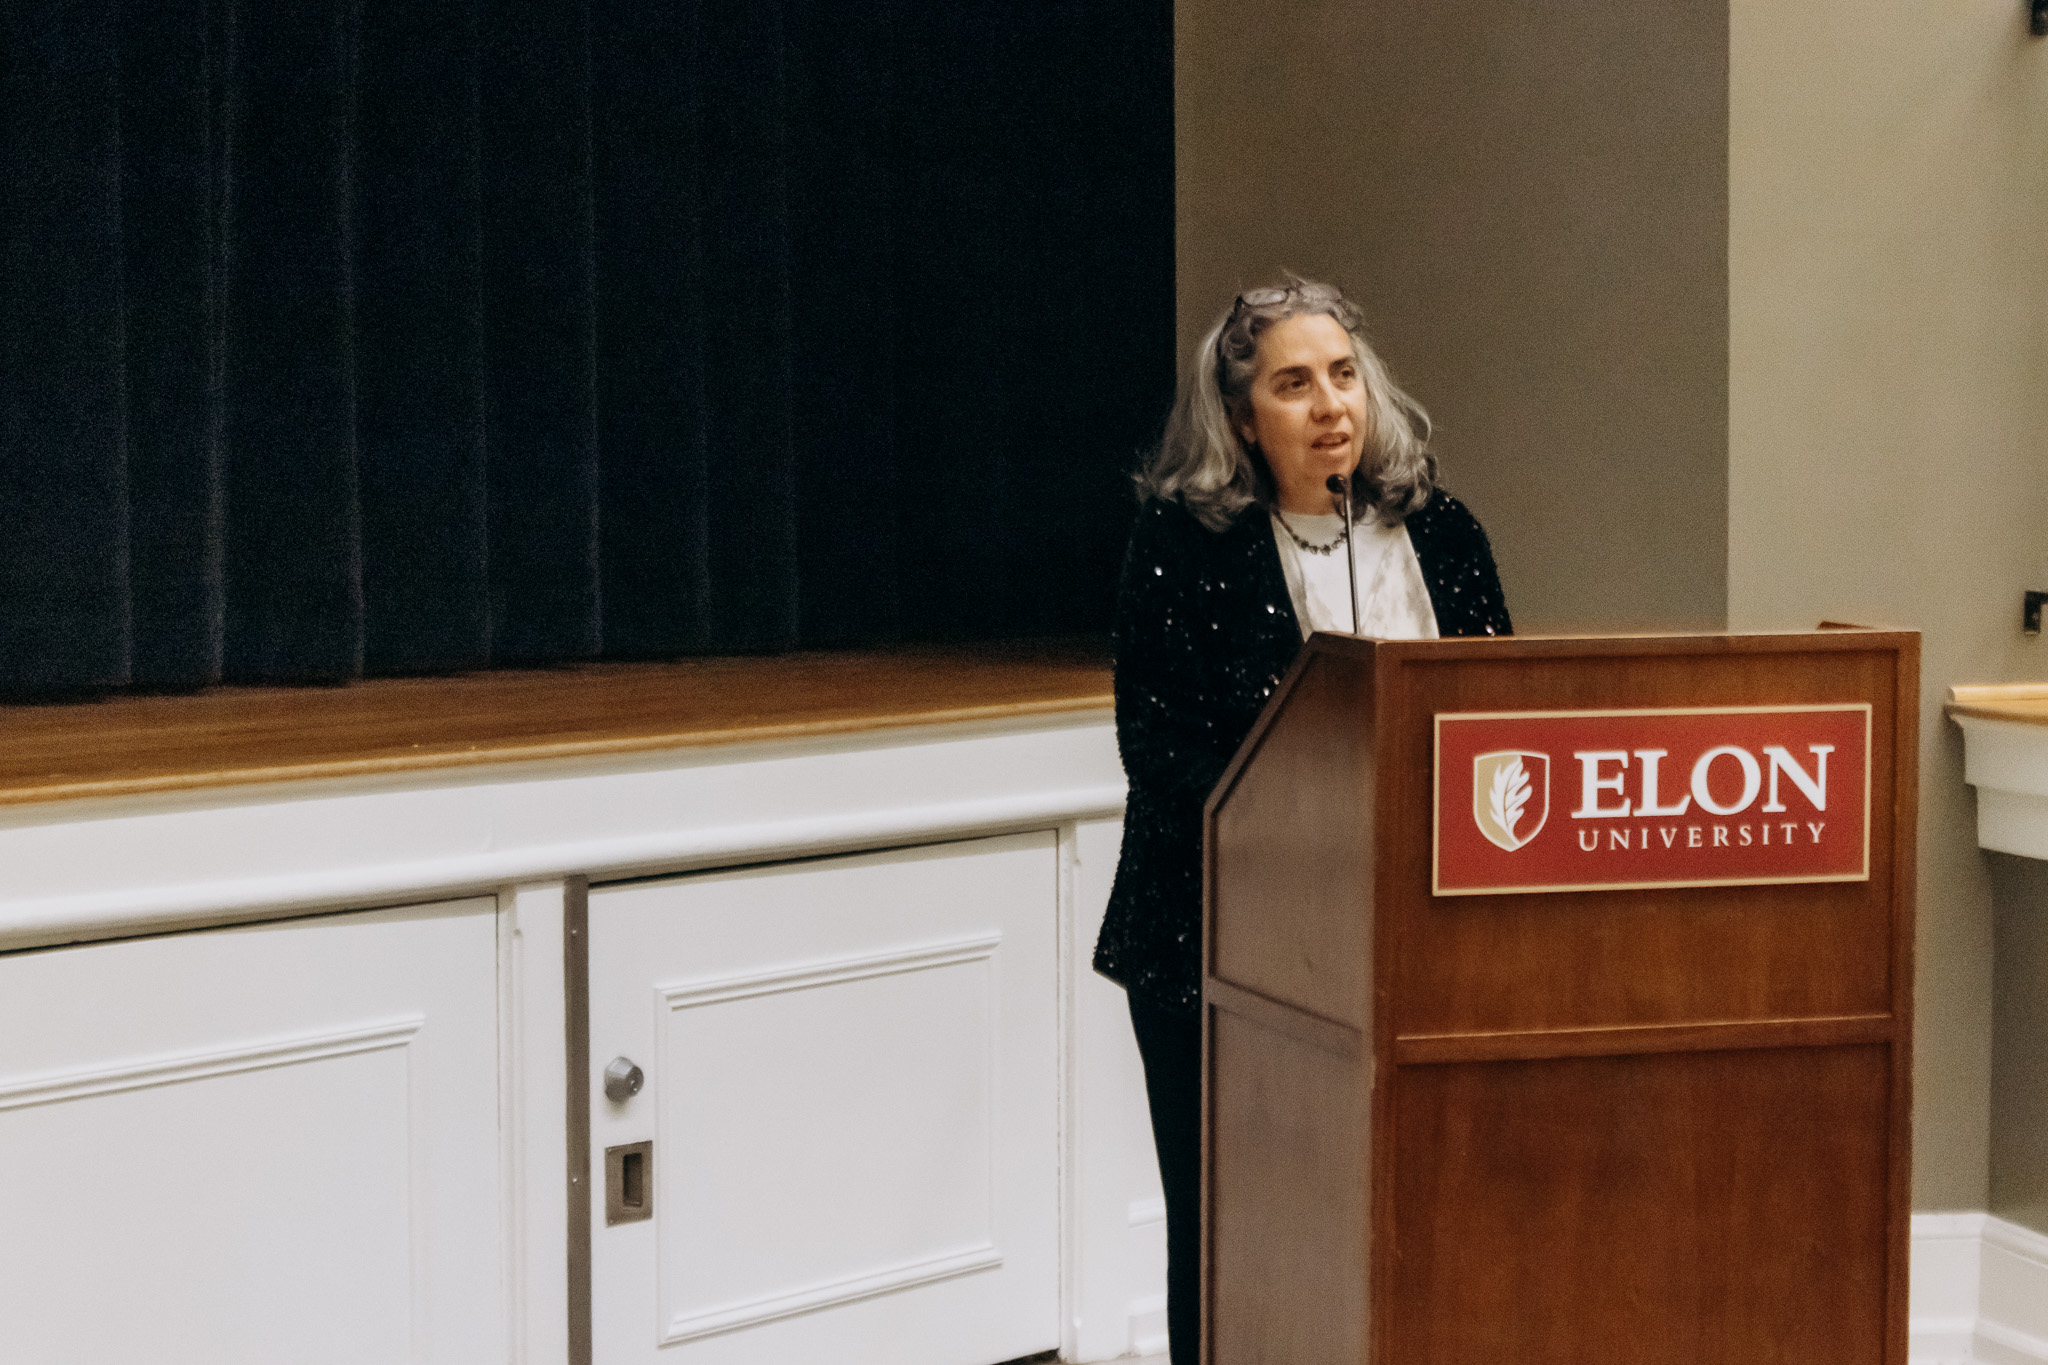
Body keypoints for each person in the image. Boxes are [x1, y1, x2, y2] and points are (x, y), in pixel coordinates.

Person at [1092, 277, 1510, 1364]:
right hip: (1216, 938)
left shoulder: (1443, 531)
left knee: (1392, 1215)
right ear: (1240, 419)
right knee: (1228, 1222)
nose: (1329, 404)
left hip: (1412, 936)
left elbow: (1499, 713)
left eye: (1340, 375)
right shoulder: (1183, 541)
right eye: (1291, 385)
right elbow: (1157, 744)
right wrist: (1306, 827)